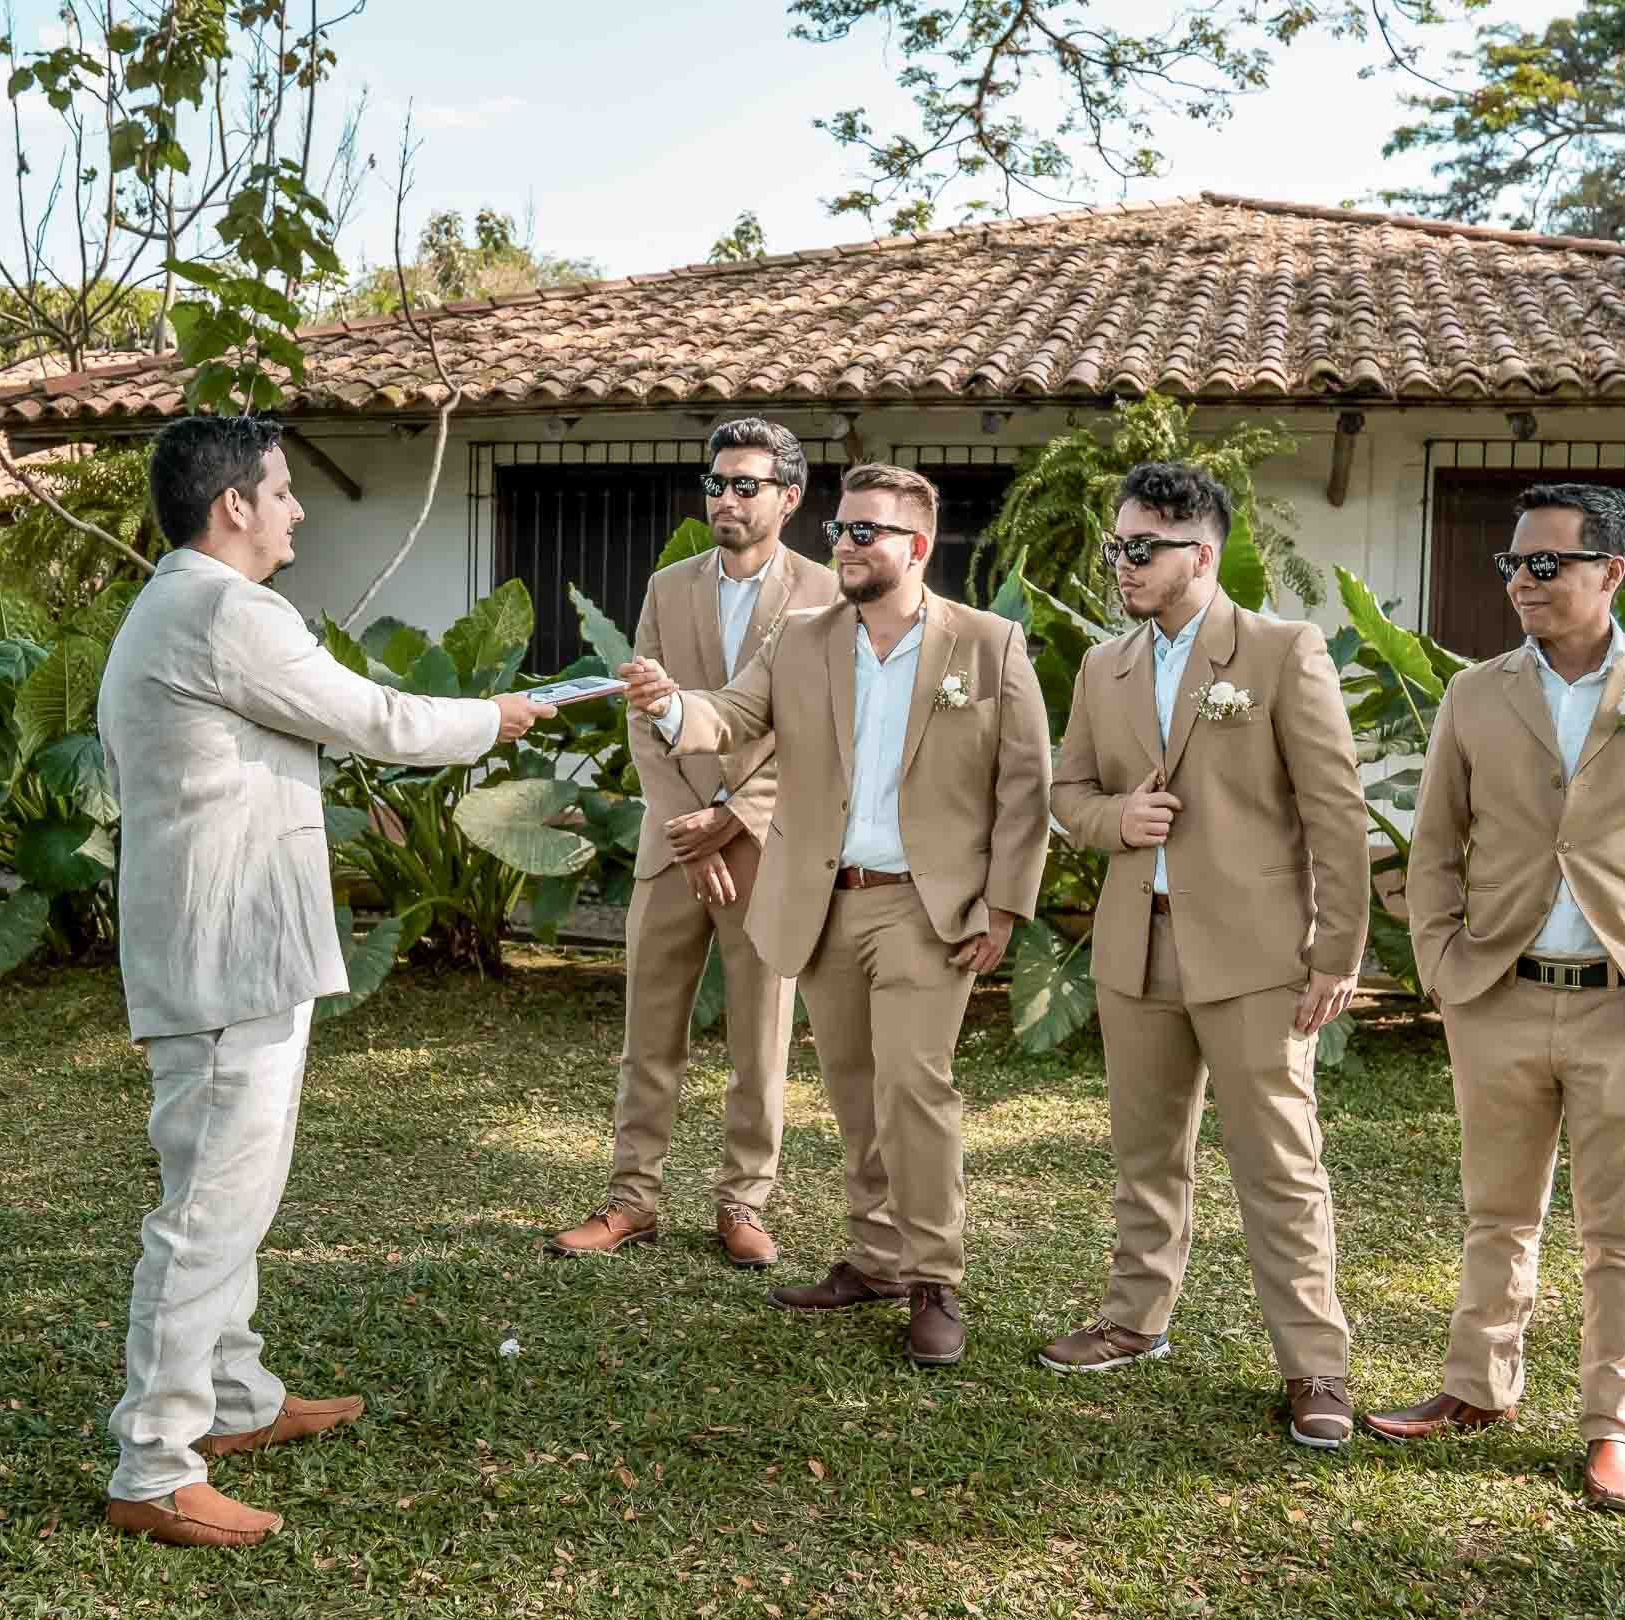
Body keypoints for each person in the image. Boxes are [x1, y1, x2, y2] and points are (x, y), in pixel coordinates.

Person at [97, 414, 554, 1548]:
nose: (299, 510)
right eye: (285, 490)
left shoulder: (175, 605)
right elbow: (374, 716)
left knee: (233, 1194)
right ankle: (154, 1460)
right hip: (226, 957)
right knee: (207, 1209)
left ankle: (238, 1397)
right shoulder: (222, 608)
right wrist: (492, 720)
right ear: (233, 506)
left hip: (231, 947)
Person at [1361, 483, 1625, 1513]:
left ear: (1608, 572)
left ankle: (1615, 1429)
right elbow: (1435, 844)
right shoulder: (1475, 693)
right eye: (1511, 564)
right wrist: (1444, 966)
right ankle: (1476, 1385)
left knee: (1621, 1228)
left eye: (1543, 563)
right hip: (1496, 993)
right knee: (1494, 1210)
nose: (1520, 581)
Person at [616, 463, 1051, 1367]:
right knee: (855, 1089)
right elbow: (731, 715)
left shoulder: (988, 644)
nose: (843, 545)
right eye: (841, 530)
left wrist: (1005, 902)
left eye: (866, 532)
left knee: (914, 1087)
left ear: (916, 547)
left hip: (928, 910)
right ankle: (875, 1256)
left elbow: (1024, 784)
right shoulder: (804, 639)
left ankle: (936, 1279)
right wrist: (672, 708)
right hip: (827, 902)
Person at [1041, 461, 1372, 1448]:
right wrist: (1116, 818)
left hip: (1257, 957)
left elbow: (1335, 809)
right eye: (1116, 545)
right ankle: (1135, 1319)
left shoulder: (1279, 651)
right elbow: (1066, 793)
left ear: (1203, 551)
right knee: (1146, 1155)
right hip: (1130, 951)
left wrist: (1336, 947)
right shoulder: (1104, 666)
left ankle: (1315, 1363)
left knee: (1277, 1164)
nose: (1122, 564)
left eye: (1142, 547)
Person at [547, 418, 840, 1268]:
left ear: (790, 497)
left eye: (746, 485)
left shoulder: (825, 593)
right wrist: (691, 827)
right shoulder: (667, 587)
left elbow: (821, 733)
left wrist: (736, 817)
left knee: (761, 1038)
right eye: (716, 483)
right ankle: (631, 1199)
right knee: (650, 1031)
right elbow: (646, 712)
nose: (726, 498)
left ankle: (743, 1203)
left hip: (768, 844)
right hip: (673, 843)